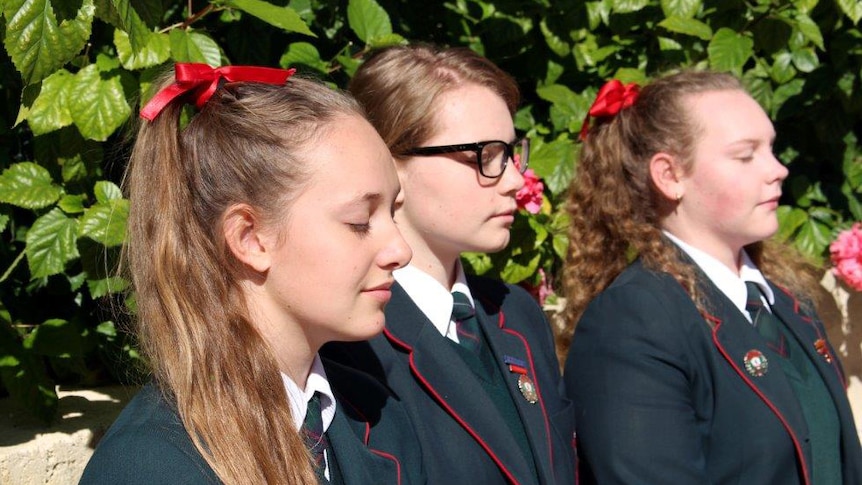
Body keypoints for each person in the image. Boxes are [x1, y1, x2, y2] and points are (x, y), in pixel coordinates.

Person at [79, 63, 423, 484]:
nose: (401, 251)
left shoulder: (377, 413)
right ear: (250, 239)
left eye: (392, 212)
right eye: (359, 221)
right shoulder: (152, 466)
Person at [560, 69, 862, 484]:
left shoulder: (787, 304)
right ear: (670, 175)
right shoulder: (633, 320)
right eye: (745, 155)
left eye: (771, 150)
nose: (778, 170)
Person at [321, 44, 576, 485]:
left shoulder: (516, 313)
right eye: (485, 155)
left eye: (513, 153)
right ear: (389, 164)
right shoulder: (347, 345)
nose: (515, 180)